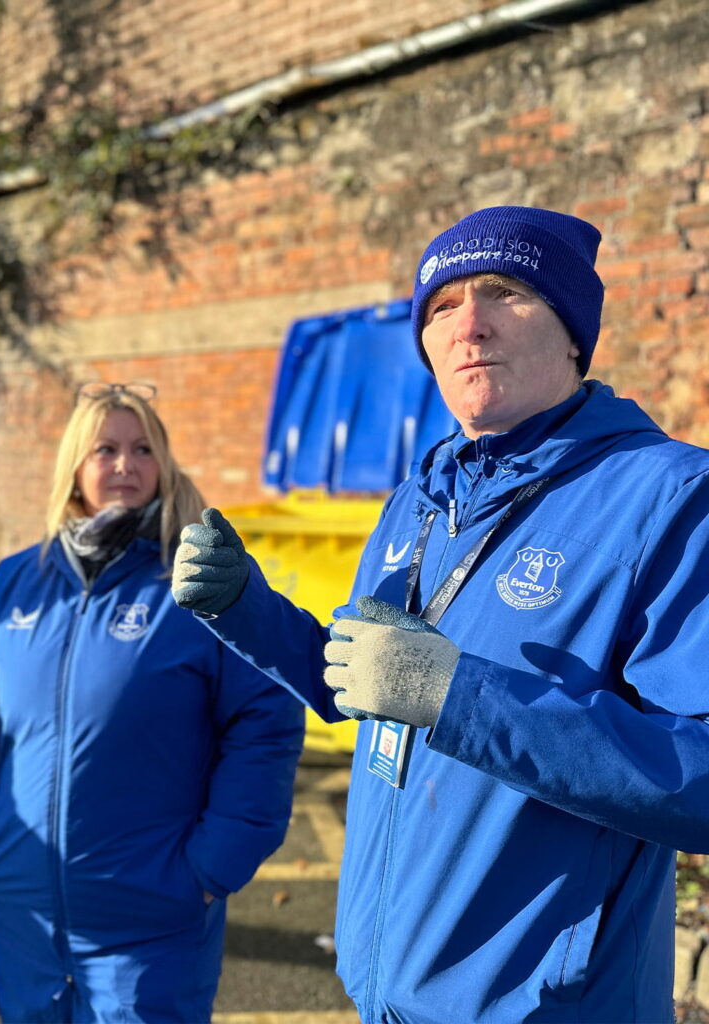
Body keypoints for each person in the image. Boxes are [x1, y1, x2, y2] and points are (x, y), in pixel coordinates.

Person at [172, 206, 709, 1023]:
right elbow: (359, 686)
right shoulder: (422, 496)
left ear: (574, 332)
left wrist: (457, 696)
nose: (471, 326)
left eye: (504, 291)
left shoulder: (669, 498)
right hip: (383, 992)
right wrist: (243, 607)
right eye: (442, 307)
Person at [0, 381, 304, 1023]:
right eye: (105, 449)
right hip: (24, 911)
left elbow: (265, 716)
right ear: (75, 467)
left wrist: (213, 865)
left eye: (142, 449)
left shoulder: (198, 579)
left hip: (153, 921)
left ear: (162, 463)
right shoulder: (20, 578)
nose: (124, 465)